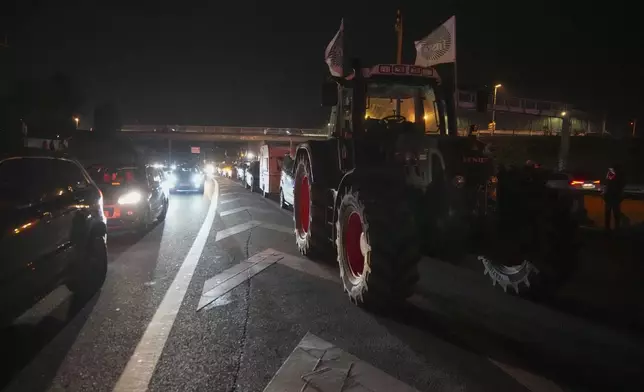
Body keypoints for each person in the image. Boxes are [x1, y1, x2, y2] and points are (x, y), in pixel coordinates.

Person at [602, 165, 625, 231]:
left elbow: (607, 183)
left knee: (609, 213)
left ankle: (608, 229)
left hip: (610, 196)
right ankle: (615, 229)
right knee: (615, 213)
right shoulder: (618, 174)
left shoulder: (612, 173)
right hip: (614, 196)